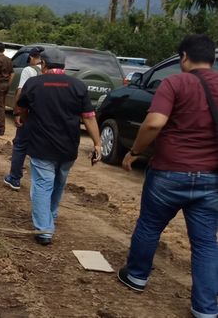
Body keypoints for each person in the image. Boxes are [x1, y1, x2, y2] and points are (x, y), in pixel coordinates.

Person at [117, 34, 217, 318]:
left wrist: (135, 151)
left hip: (169, 172)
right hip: (210, 178)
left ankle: (136, 276)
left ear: (184, 56)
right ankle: (206, 309)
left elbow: (155, 123)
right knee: (206, 242)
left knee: (150, 225)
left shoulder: (174, 82)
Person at [15, 47, 102, 245]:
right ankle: (50, 216)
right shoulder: (78, 86)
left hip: (41, 145)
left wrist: (25, 120)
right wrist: (97, 143)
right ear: (64, 66)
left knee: (42, 185)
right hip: (68, 148)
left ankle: (44, 230)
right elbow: (89, 117)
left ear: (43, 64)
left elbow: (22, 108)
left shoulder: (34, 83)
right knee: (58, 183)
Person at [3, 46, 43, 190]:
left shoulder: (29, 70)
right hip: (46, 117)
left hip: (29, 114)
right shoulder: (55, 74)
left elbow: (20, 91)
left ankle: (14, 178)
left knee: (20, 145)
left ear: (32, 58)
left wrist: (17, 112)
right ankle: (39, 184)